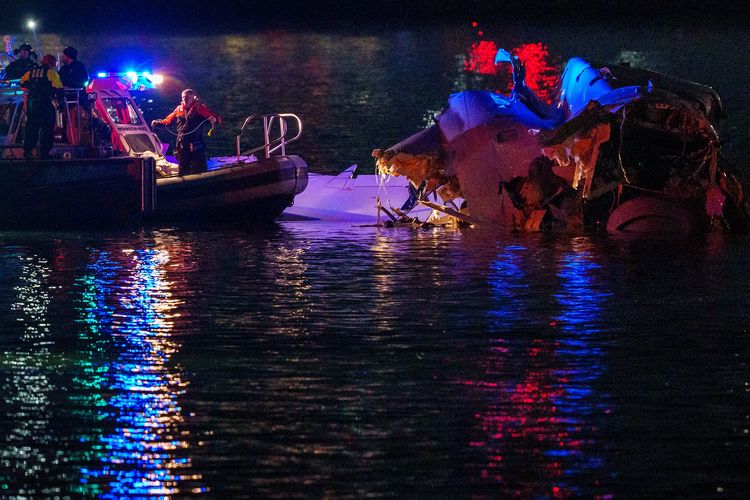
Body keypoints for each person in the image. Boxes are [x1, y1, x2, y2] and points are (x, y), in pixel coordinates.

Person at [151, 89, 221, 175]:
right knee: (183, 168)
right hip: (182, 144)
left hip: (196, 143)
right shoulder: (179, 109)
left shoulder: (200, 108)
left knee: (200, 168)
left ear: (193, 98)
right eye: (184, 98)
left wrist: (214, 119)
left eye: (188, 98)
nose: (185, 100)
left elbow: (215, 117)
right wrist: (157, 123)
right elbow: (167, 121)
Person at [20, 54, 63, 160]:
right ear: (52, 63)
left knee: (31, 128)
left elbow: (22, 83)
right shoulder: (52, 73)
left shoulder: (30, 72)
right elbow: (59, 89)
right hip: (45, 104)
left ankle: (28, 151)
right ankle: (45, 153)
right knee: (47, 129)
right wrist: (60, 103)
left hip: (32, 105)